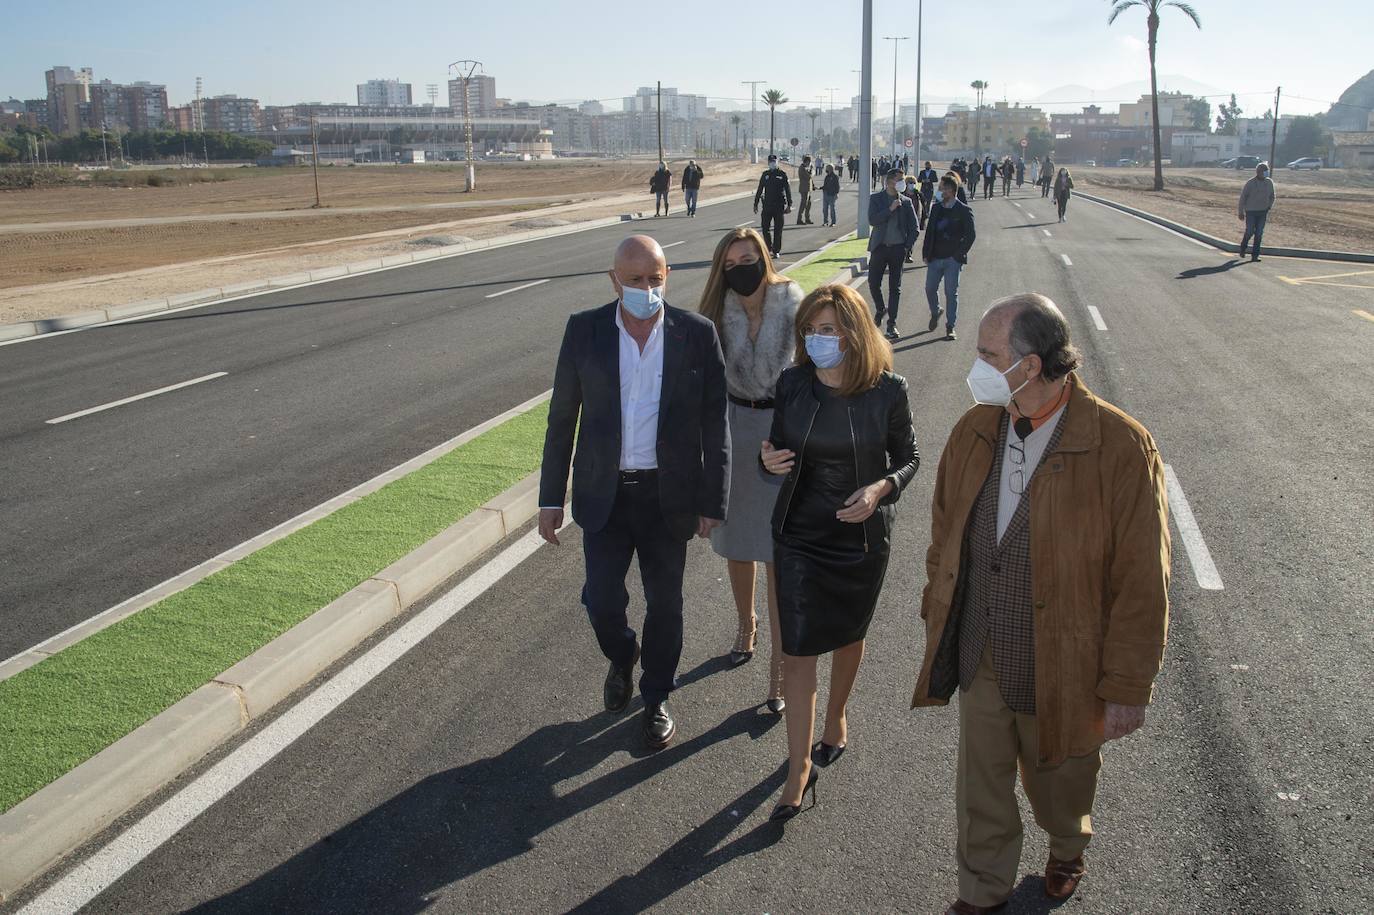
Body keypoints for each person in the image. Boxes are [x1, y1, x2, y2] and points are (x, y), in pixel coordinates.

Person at [911, 293, 1170, 914]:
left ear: (1029, 366)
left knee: (1060, 780)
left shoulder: (1119, 447)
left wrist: (1128, 686)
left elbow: (1143, 579)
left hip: (1066, 657)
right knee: (981, 786)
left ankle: (1066, 843)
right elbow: (945, 531)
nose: (975, 366)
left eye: (986, 354)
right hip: (981, 646)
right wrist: (936, 609)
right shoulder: (975, 429)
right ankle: (983, 888)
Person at [538, 235, 730, 751]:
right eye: (636, 280)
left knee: (666, 604)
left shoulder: (696, 334)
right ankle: (622, 656)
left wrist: (714, 501)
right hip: (606, 496)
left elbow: (717, 426)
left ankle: (656, 697)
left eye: (656, 279)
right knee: (602, 601)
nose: (648, 290)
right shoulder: (585, 331)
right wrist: (550, 499)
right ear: (614, 280)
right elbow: (562, 420)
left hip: (669, 498)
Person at [759, 282, 920, 822]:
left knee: (848, 636)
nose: (817, 339)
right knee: (798, 649)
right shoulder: (792, 383)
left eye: (827, 329)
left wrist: (881, 489)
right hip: (799, 533)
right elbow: (777, 449)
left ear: (853, 332)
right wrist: (767, 460)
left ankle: (837, 717)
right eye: (809, 330)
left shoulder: (888, 391)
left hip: (861, 537)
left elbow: (910, 458)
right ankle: (797, 766)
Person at [697, 228, 803, 714]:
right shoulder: (715, 317)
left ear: (765, 258)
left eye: (750, 257)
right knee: (738, 544)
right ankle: (746, 623)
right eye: (732, 262)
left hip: (784, 431)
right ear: (723, 270)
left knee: (779, 554)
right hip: (735, 428)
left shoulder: (794, 304)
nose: (743, 268)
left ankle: (779, 673)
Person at [868, 167, 921, 341]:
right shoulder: (876, 199)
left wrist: (906, 247)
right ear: (890, 181)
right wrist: (890, 209)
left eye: (903, 180)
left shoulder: (906, 202)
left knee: (895, 288)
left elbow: (915, 228)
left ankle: (892, 324)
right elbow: (872, 220)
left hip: (898, 249)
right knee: (873, 283)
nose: (903, 183)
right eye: (900, 180)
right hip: (879, 247)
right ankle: (881, 308)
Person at [922, 174, 976, 342]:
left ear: (952, 190)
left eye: (944, 188)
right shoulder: (936, 208)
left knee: (951, 293)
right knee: (930, 288)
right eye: (941, 187)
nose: (941, 190)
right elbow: (930, 232)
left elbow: (971, 235)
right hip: (935, 258)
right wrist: (925, 253)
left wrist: (959, 254)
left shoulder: (963, 210)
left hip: (953, 259)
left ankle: (950, 326)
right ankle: (936, 310)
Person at [754, 153, 793, 259]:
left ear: (777, 162)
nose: (772, 163)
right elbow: (760, 189)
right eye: (770, 162)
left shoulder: (782, 174)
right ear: (768, 163)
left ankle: (776, 250)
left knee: (778, 229)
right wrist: (756, 203)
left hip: (779, 206)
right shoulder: (765, 175)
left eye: (774, 161)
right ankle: (768, 247)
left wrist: (789, 204)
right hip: (767, 206)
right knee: (765, 228)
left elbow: (788, 190)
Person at [1238, 161, 1275, 262]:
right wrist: (1240, 212)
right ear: (1258, 171)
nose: (1265, 173)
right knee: (1250, 231)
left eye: (1266, 171)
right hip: (1250, 211)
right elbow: (1243, 198)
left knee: (1259, 233)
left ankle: (1255, 255)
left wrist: (1269, 206)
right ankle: (1243, 247)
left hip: (1263, 212)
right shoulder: (1250, 183)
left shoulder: (1269, 182)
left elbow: (1272, 196)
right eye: (1264, 171)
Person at [902, 174, 923, 261]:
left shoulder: (918, 194)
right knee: (904, 236)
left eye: (913, 183)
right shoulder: (902, 194)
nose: (912, 184)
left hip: (915, 217)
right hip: (904, 217)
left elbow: (923, 205)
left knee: (913, 235)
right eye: (910, 183)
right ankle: (904, 253)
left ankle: (908, 253)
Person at [918, 160, 940, 229]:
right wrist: (923, 180)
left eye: (929, 165)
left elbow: (936, 179)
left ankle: (927, 212)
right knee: (923, 201)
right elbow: (918, 179)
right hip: (923, 189)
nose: (928, 166)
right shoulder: (922, 172)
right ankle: (924, 213)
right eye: (927, 165)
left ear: (931, 166)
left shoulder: (933, 172)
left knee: (929, 201)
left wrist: (930, 180)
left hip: (930, 189)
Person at [797, 155, 815, 226]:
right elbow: (809, 176)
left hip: (809, 189)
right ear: (806, 161)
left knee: (809, 204)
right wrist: (812, 171)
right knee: (803, 204)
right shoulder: (802, 168)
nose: (810, 163)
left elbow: (811, 179)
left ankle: (807, 218)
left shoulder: (808, 168)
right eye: (809, 162)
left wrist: (813, 186)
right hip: (804, 189)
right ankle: (799, 219)